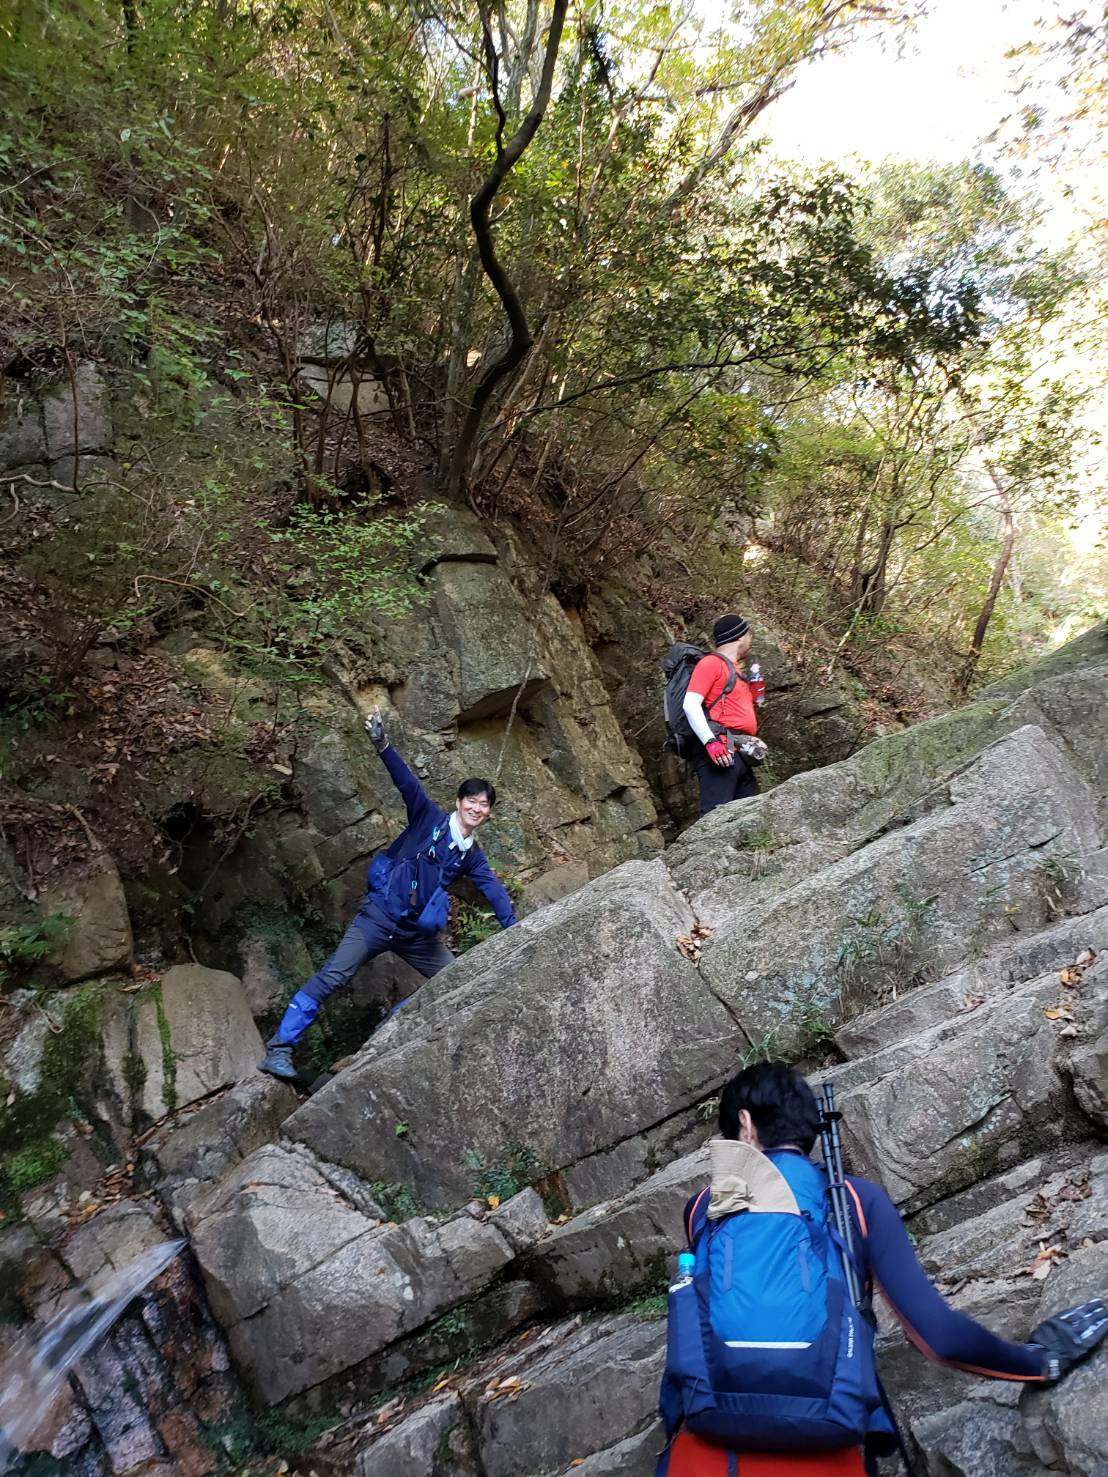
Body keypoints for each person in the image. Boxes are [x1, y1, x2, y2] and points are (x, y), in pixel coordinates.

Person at [657, 1061, 1108, 1476]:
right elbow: (941, 1338)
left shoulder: (704, 1209)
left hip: (702, 1455)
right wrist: (1040, 1360)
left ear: (746, 1126)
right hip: (829, 1455)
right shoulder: (856, 1199)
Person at [259, 708, 516, 1079]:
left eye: (484, 805)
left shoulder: (471, 855)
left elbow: (492, 888)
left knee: (457, 978)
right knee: (334, 975)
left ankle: (387, 1034)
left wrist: (515, 929)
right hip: (378, 917)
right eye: (471, 801)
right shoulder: (428, 819)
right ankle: (280, 1049)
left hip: (416, 937)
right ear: (459, 802)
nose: (476, 808)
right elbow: (406, 783)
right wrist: (381, 743)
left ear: (488, 813)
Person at [682, 614, 762, 818]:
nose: (750, 640)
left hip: (740, 752)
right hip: (719, 750)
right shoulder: (711, 664)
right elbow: (690, 704)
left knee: (749, 818)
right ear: (740, 637)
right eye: (749, 635)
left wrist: (754, 693)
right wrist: (711, 742)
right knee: (714, 819)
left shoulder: (735, 669)